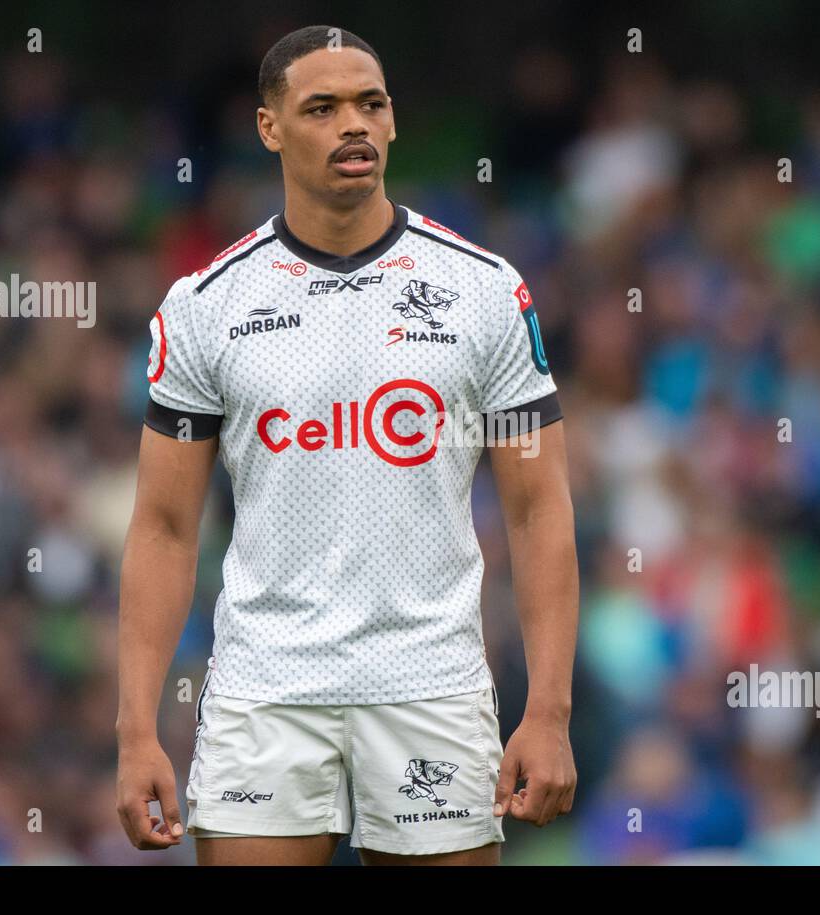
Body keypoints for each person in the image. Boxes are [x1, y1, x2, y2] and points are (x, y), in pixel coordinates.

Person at [115, 24, 578, 865]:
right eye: (321, 108)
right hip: (266, 688)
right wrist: (135, 732)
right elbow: (163, 528)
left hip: (430, 683)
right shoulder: (205, 305)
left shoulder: (483, 291)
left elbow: (539, 507)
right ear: (269, 128)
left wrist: (546, 711)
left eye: (370, 104)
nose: (353, 125)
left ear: (394, 121)